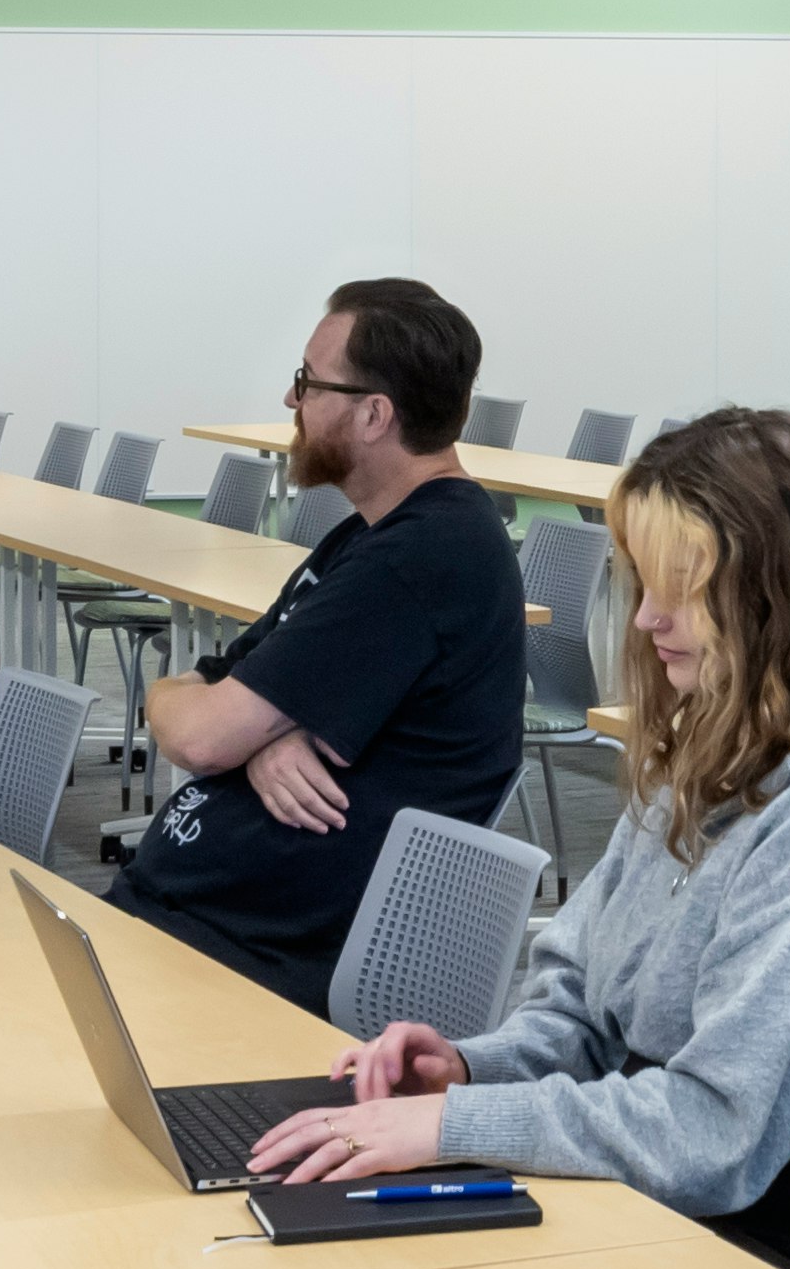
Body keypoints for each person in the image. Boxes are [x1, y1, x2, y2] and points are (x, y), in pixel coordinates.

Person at [252, 406, 790, 1269]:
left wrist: (454, 1123)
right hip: (673, 1219)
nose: (646, 619)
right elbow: (585, 1009)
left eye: (681, 590)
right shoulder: (713, 745)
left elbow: (716, 1133)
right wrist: (476, 1068)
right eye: (641, 584)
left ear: (778, 593)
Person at [105, 277, 523, 1017]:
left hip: (253, 966)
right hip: (190, 924)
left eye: (308, 383)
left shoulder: (423, 555)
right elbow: (198, 687)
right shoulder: (367, 537)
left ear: (373, 414)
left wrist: (237, 728)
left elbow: (201, 734)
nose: (292, 404)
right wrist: (258, 736)